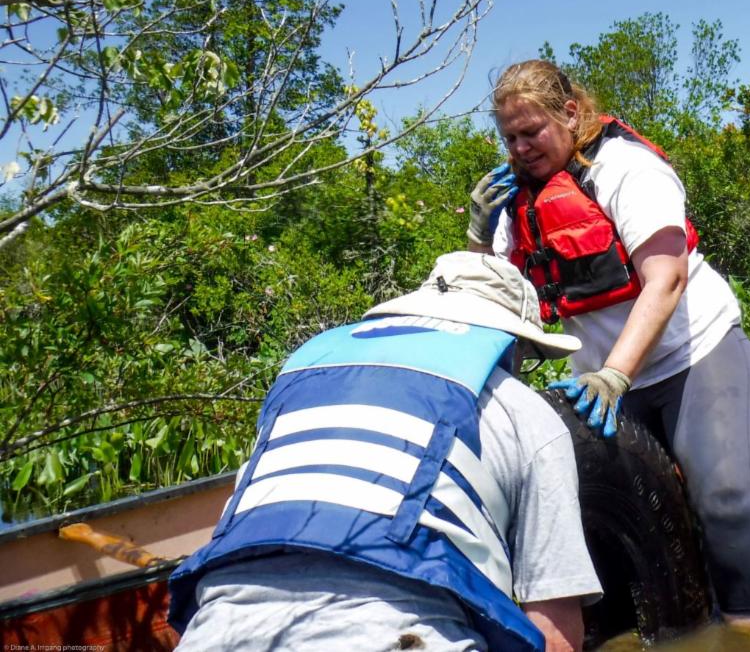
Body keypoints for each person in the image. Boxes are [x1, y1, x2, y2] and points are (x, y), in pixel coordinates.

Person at [466, 59, 750, 634]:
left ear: (571, 113)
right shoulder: (514, 202)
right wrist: (479, 237)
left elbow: (668, 279)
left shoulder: (625, 168)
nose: (521, 147)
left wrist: (615, 376)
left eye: (532, 132)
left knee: (724, 497)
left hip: (691, 356)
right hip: (599, 381)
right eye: (510, 137)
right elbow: (496, 300)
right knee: (596, 522)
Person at [168, 252, 602, 652]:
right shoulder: (523, 410)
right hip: (394, 632)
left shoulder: (302, 380)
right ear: (511, 345)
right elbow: (555, 627)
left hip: (216, 625)